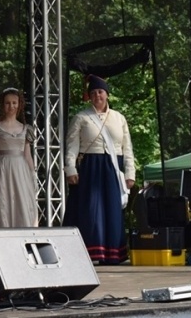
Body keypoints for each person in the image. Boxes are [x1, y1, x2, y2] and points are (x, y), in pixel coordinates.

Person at [63, 75, 135, 264]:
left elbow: (127, 148)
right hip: (90, 168)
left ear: (107, 95)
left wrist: (130, 173)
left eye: (100, 92)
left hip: (113, 167)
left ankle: (113, 254)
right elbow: (71, 146)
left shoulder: (119, 118)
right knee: (91, 210)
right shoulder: (81, 117)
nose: (97, 96)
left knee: (112, 210)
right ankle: (92, 253)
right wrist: (70, 169)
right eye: (93, 93)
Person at [0, 87, 39, 227]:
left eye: (14, 103)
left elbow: (27, 154)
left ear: (19, 104)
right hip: (1, 169)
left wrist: (33, 175)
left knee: (22, 203)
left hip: (20, 170)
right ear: (2, 104)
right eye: (7, 103)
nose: (11, 106)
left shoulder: (26, 129)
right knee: (3, 202)